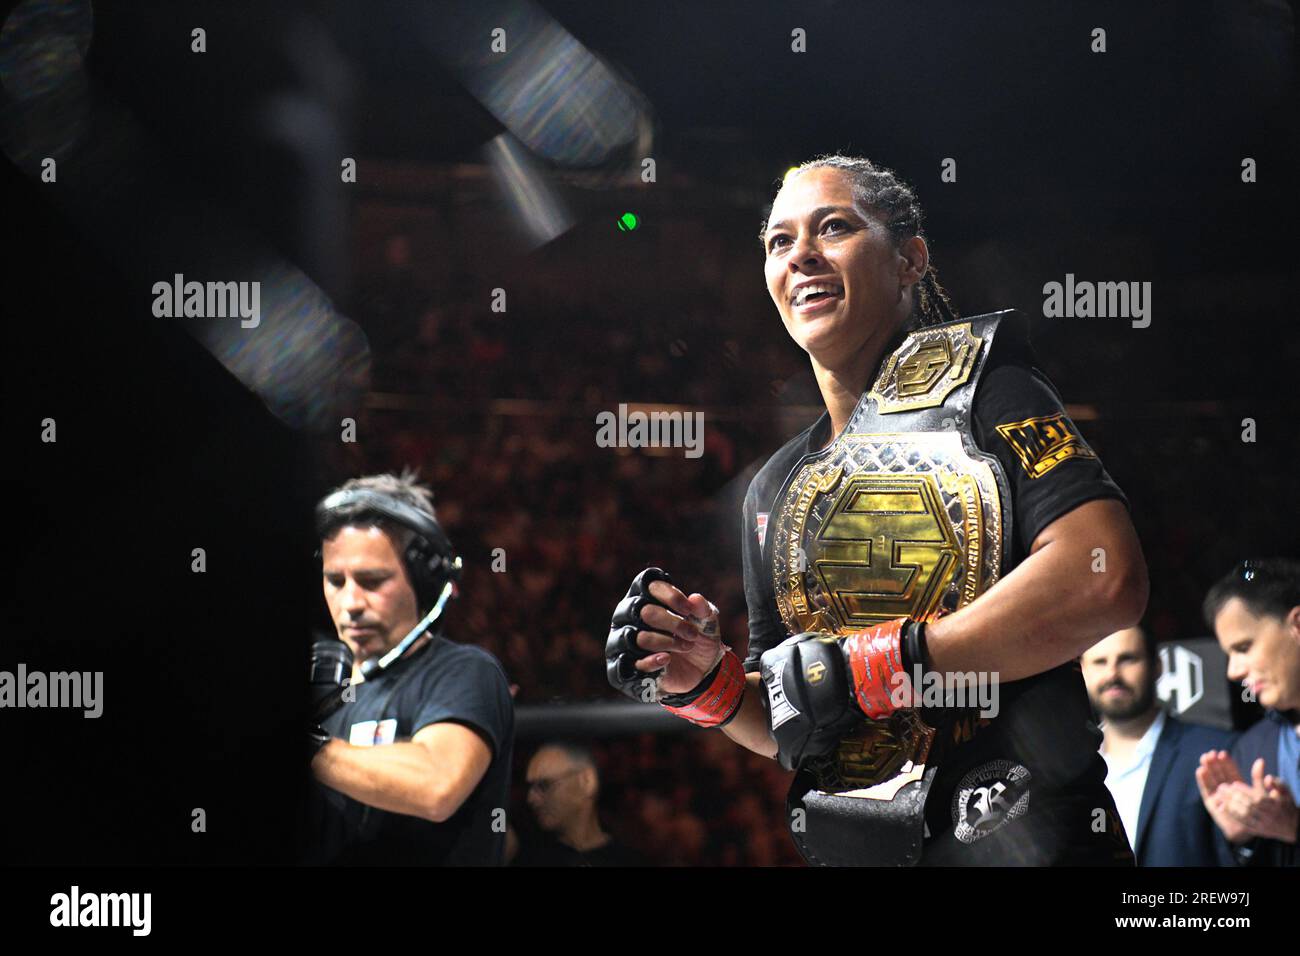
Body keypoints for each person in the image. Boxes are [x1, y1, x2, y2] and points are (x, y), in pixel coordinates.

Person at [604, 154, 1149, 866]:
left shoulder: (993, 394)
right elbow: (801, 718)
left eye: (833, 228)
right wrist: (709, 684)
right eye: (778, 241)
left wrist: (881, 663)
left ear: (909, 260)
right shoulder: (775, 488)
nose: (800, 255)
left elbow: (1103, 579)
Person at [304, 471, 515, 865]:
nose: (350, 601)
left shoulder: (465, 672)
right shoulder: (321, 690)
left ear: (425, 578)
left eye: (372, 580)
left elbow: (436, 785)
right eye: (335, 580)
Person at [1082, 625, 1235, 865]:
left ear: (1157, 667)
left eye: (1127, 659)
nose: (1112, 674)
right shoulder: (1070, 767)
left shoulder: (1213, 751)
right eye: (1100, 662)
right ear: (1082, 671)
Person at [1197, 559, 1300, 866]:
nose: (1233, 671)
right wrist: (1243, 837)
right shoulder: (1250, 748)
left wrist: (1295, 826)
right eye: (1228, 654)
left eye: (1243, 647)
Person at [513, 742, 646, 866]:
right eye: (530, 787)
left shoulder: (629, 860)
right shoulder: (529, 859)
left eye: (544, 785)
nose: (531, 798)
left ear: (586, 781)